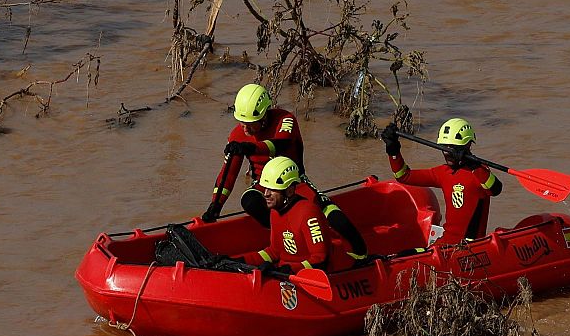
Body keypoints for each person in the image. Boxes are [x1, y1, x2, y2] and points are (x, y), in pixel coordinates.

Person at [237, 157, 369, 273]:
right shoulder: (275, 211)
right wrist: (239, 260)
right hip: (288, 274)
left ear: (289, 191)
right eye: (266, 188)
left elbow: (320, 260)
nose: (266, 194)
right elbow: (274, 252)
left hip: (319, 277)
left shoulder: (308, 213)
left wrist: (287, 270)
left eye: (273, 190)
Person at [381, 118, 503, 243]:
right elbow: (403, 176)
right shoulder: (442, 173)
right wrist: (393, 150)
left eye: (452, 147)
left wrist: (474, 164)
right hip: (445, 244)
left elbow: (496, 189)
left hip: (469, 248)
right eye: (444, 147)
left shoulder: (480, 171)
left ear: (468, 145)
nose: (446, 152)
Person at [202, 83, 305, 225]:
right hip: (264, 187)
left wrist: (250, 147)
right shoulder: (237, 135)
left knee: (335, 218)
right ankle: (277, 230)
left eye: (250, 123)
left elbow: (281, 144)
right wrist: (215, 205)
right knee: (249, 201)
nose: (245, 128)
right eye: (242, 122)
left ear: (264, 117)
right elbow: (228, 175)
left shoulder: (285, 119)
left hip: (293, 185)